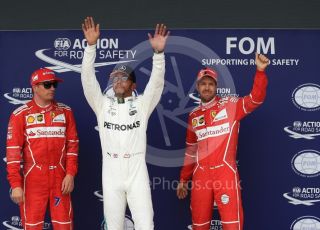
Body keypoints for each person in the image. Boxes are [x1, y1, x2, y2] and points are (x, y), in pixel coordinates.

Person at [81, 17, 169, 230]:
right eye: (115, 77)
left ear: (133, 84)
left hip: (136, 170)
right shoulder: (102, 105)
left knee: (146, 225)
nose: (118, 81)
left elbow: (156, 85)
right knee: (113, 226)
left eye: (123, 77)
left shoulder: (141, 105)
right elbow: (87, 80)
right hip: (111, 171)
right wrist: (91, 47)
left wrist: (158, 55)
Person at [176, 53, 269, 230]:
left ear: (216, 86)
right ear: (197, 87)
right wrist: (183, 179)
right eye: (203, 84)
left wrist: (260, 71)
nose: (207, 87)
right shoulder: (193, 115)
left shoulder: (230, 105)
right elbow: (191, 150)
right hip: (201, 175)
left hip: (225, 171)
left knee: (232, 225)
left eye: (211, 84)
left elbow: (255, 99)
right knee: (199, 225)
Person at [6, 68, 79, 230]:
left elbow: (72, 146)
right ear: (35, 87)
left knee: (65, 226)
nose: (52, 88)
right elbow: (13, 155)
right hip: (33, 180)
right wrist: (16, 184)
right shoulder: (20, 115)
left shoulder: (65, 112)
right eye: (47, 85)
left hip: (60, 179)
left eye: (54, 84)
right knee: (32, 227)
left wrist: (70, 174)